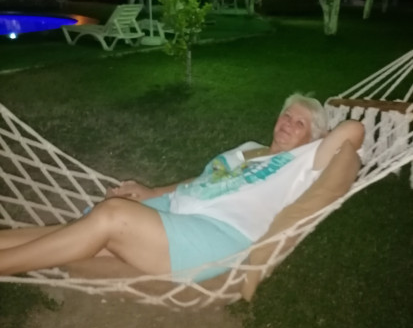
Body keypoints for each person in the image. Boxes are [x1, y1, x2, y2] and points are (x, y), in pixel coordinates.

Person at [0, 94, 364, 280]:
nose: (287, 123)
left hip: (218, 236)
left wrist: (320, 140)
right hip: (178, 208)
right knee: (83, 228)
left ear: (314, 139)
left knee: (112, 217)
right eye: (287, 115)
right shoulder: (249, 149)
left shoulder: (302, 165)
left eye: (300, 124)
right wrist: (153, 192)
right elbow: (202, 182)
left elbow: (354, 130)